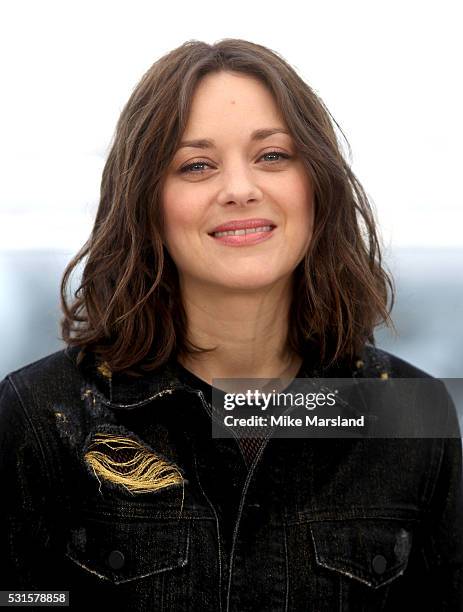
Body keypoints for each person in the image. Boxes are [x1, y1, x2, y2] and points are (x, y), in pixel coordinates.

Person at [0, 38, 462, 611]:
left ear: (316, 184)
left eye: (272, 156)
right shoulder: (43, 413)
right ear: (146, 202)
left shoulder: (411, 413)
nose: (241, 189)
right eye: (197, 165)